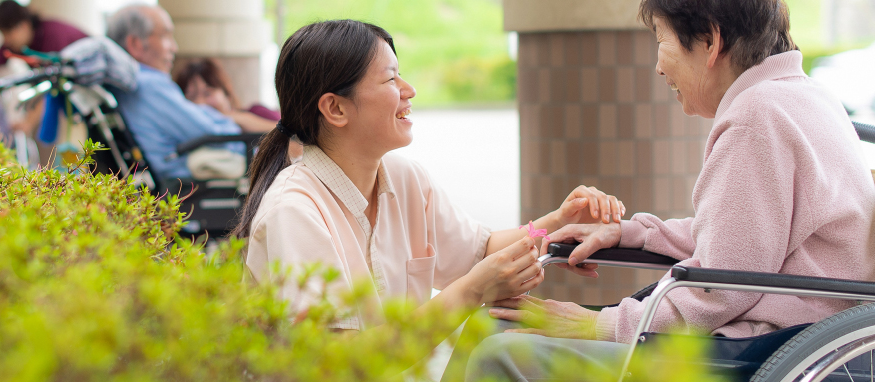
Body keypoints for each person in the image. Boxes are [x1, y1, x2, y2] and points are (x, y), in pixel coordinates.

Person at [467, 0, 875, 380]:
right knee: (498, 322)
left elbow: (720, 290)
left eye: (661, 40)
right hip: (805, 341)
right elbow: (744, 241)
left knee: (498, 350)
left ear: (709, 41)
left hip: (755, 352)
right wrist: (634, 233)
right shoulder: (806, 97)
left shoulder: (757, 117)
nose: (659, 68)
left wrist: (597, 324)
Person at [234, 19, 627, 352]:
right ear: (335, 108)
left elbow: (478, 251)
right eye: (390, 79)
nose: (409, 90)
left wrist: (557, 222)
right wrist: (472, 291)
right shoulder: (294, 210)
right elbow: (340, 364)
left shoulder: (405, 179)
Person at [106, 5, 270, 182]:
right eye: (165, 36)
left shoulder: (125, 87)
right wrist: (235, 126)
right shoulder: (149, 85)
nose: (174, 48)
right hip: (194, 186)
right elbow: (211, 133)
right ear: (136, 44)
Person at [174, 58, 281, 132]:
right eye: (191, 97)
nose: (200, 103)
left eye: (207, 93)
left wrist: (235, 118)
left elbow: (292, 136)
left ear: (226, 94)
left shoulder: (258, 112)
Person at [0, 0, 88, 69]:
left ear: (23, 25)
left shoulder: (53, 36)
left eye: (7, 33)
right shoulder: (14, 44)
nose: (6, 40)